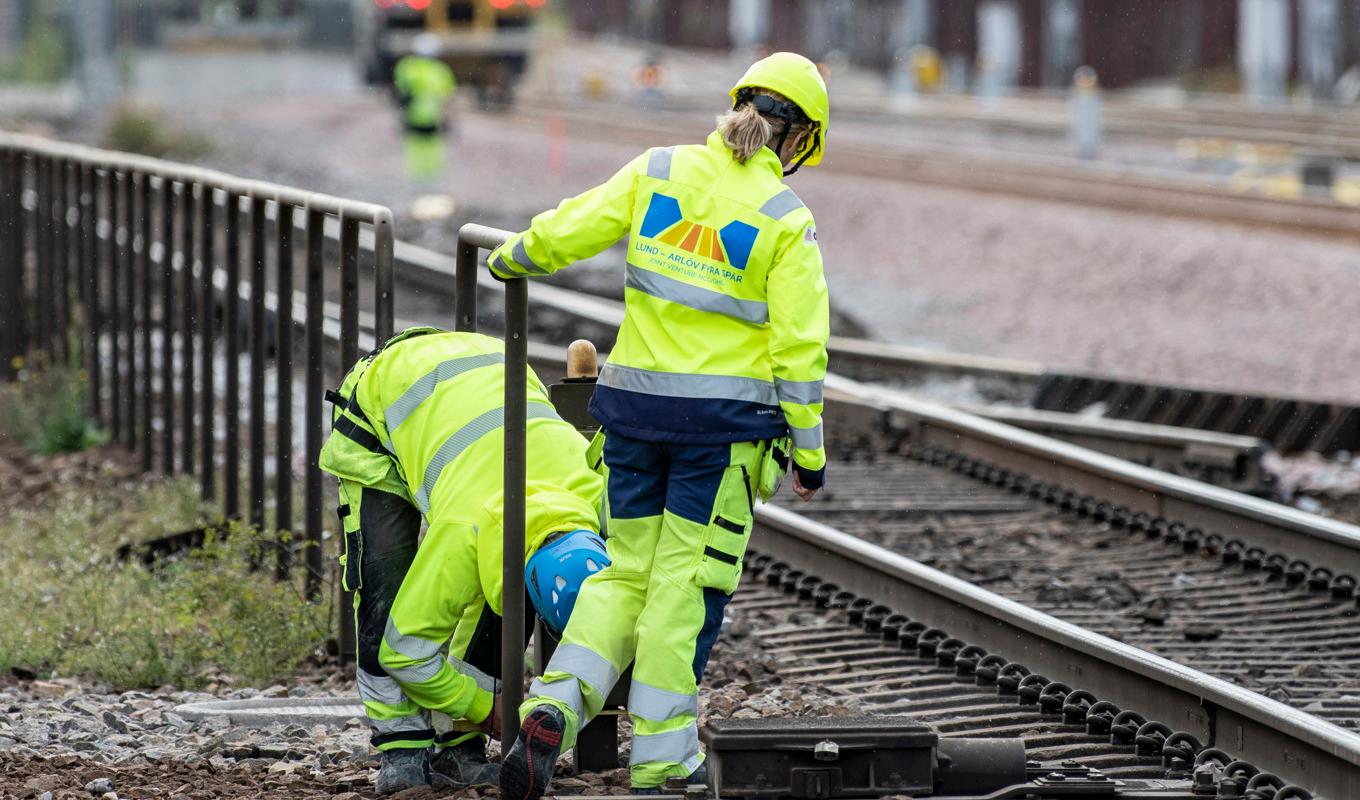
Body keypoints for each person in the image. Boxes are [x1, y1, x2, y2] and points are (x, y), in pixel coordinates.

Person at [486, 52, 831, 799]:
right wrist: (809, 452)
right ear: (799, 139)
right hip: (720, 434)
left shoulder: (660, 169)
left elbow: (572, 229)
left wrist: (511, 256)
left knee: (624, 575)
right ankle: (662, 757)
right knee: (684, 586)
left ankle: (551, 705)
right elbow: (800, 352)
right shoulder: (784, 219)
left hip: (634, 418)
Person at [318, 327, 609, 794]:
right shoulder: (463, 526)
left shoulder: (598, 492)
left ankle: (459, 750)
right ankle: (402, 747)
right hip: (384, 399)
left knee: (500, 603)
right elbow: (405, 651)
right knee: (384, 589)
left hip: (490, 363)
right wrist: (484, 706)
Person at [393, 33, 457, 181]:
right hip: (433, 118)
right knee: (432, 151)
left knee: (415, 149)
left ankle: (416, 178)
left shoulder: (406, 67)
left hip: (412, 116)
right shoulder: (440, 70)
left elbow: (398, 93)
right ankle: (431, 179)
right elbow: (448, 98)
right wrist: (450, 120)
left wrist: (400, 114)